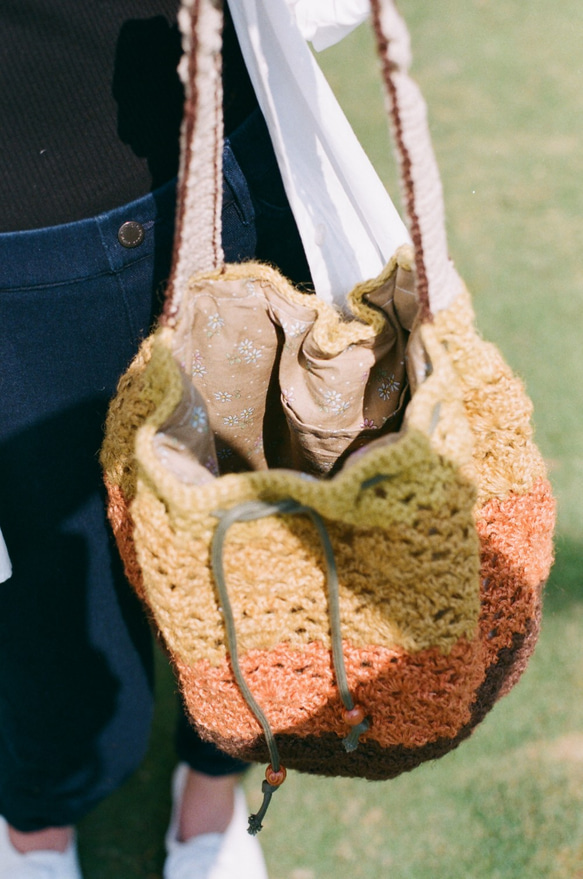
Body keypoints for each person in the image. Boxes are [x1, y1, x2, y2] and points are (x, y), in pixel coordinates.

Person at [0, 2, 312, 877]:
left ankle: (211, 799)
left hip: (213, 152)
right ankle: (35, 827)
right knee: (47, 606)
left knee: (251, 545)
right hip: (12, 247)